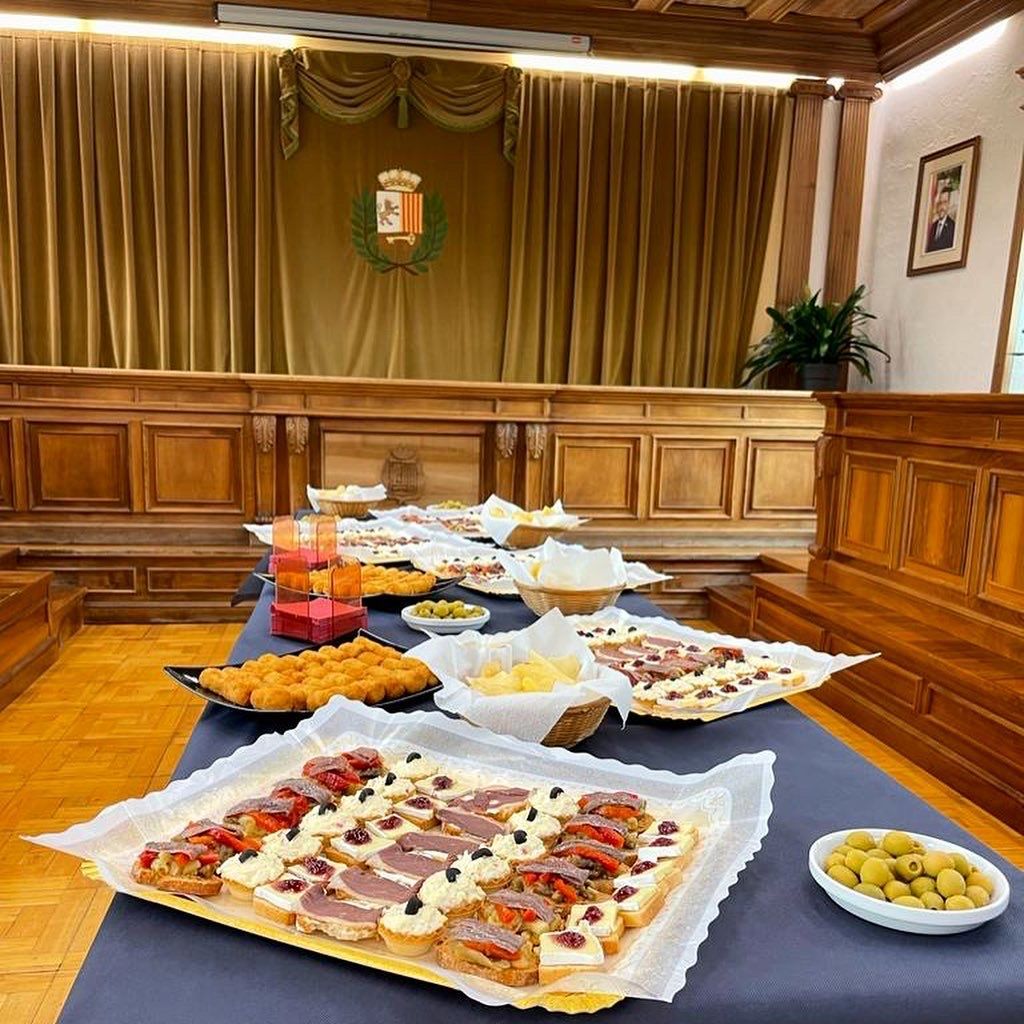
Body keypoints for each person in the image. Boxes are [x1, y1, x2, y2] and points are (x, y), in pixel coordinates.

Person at [925, 186, 956, 252]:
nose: (941, 207)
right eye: (939, 203)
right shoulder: (933, 226)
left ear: (949, 204)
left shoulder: (953, 226)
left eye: (945, 202)